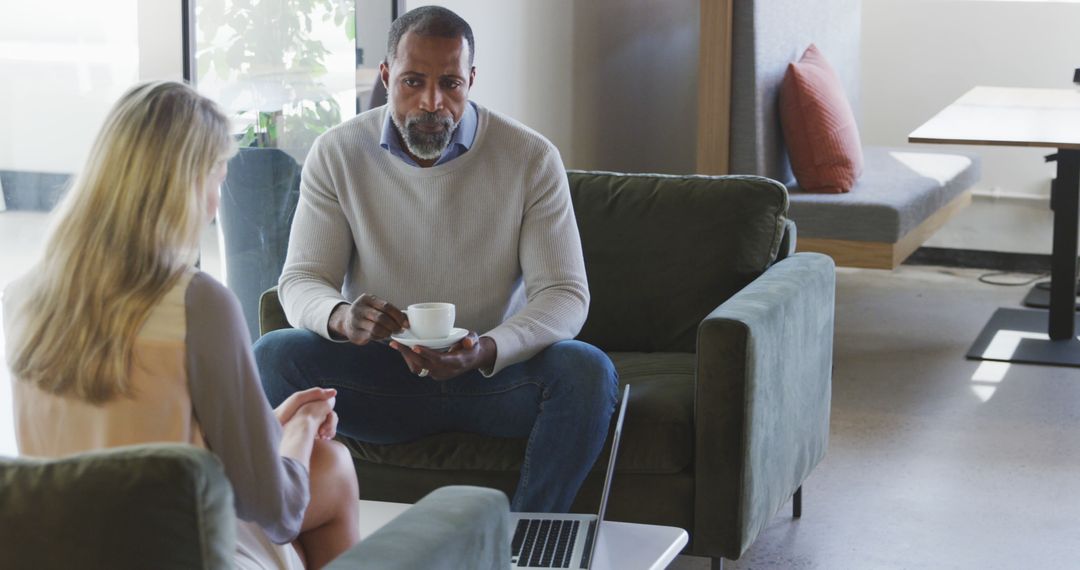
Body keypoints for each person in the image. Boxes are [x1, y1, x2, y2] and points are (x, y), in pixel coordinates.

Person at [254, 5, 619, 513]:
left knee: (589, 372)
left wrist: (486, 349)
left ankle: (524, 537)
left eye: (450, 83)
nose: (432, 102)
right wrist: (342, 316)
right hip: (380, 378)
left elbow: (565, 294)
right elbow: (301, 280)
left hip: (493, 380)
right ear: (386, 76)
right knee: (274, 354)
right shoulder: (337, 153)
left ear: (471, 79)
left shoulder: (531, 158)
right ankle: (309, 524)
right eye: (412, 82)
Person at [2, 81, 359, 569]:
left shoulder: (23, 295)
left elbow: (121, 443)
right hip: (171, 551)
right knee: (330, 467)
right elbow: (276, 508)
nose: (216, 204)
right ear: (187, 183)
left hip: (61, 548)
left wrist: (262, 427)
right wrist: (301, 427)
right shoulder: (196, 302)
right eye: (217, 177)